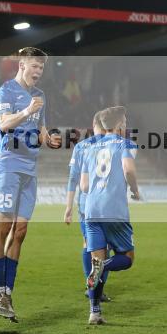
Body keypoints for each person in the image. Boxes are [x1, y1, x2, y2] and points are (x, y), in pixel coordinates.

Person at [0, 47, 62, 321]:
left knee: (20, 231)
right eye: (34, 66)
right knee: (3, 227)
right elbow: (4, 124)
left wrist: (49, 139)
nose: (38, 71)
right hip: (9, 164)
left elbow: (40, 127)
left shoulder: (40, 95)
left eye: (41, 67)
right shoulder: (6, 92)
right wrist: (27, 109)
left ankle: (7, 291)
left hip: (30, 169)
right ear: (22, 65)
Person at [80, 106, 140, 324]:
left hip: (91, 210)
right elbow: (128, 169)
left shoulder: (89, 148)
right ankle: (103, 266)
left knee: (96, 259)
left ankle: (94, 312)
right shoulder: (125, 144)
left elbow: (84, 186)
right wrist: (134, 190)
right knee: (127, 258)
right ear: (120, 124)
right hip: (114, 210)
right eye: (125, 121)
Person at [63, 113, 112, 303]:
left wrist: (68, 207)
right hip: (108, 204)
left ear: (93, 124)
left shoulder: (82, 147)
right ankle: (98, 288)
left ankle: (90, 285)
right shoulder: (114, 145)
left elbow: (73, 178)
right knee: (106, 247)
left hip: (86, 205)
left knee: (88, 243)